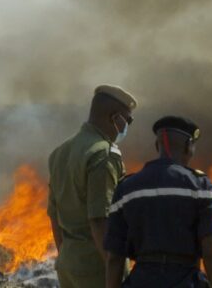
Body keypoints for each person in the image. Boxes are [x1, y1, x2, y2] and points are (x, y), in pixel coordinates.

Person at [104, 116, 212, 288]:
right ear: (188, 146)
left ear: (157, 146)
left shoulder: (126, 189)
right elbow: (211, 254)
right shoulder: (201, 187)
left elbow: (114, 258)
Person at [47, 84, 138, 288]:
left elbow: (54, 215)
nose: (127, 127)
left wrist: (66, 258)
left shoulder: (60, 152)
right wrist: (114, 271)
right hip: (97, 268)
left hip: (69, 265)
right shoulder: (102, 154)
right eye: (128, 120)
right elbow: (100, 220)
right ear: (115, 117)